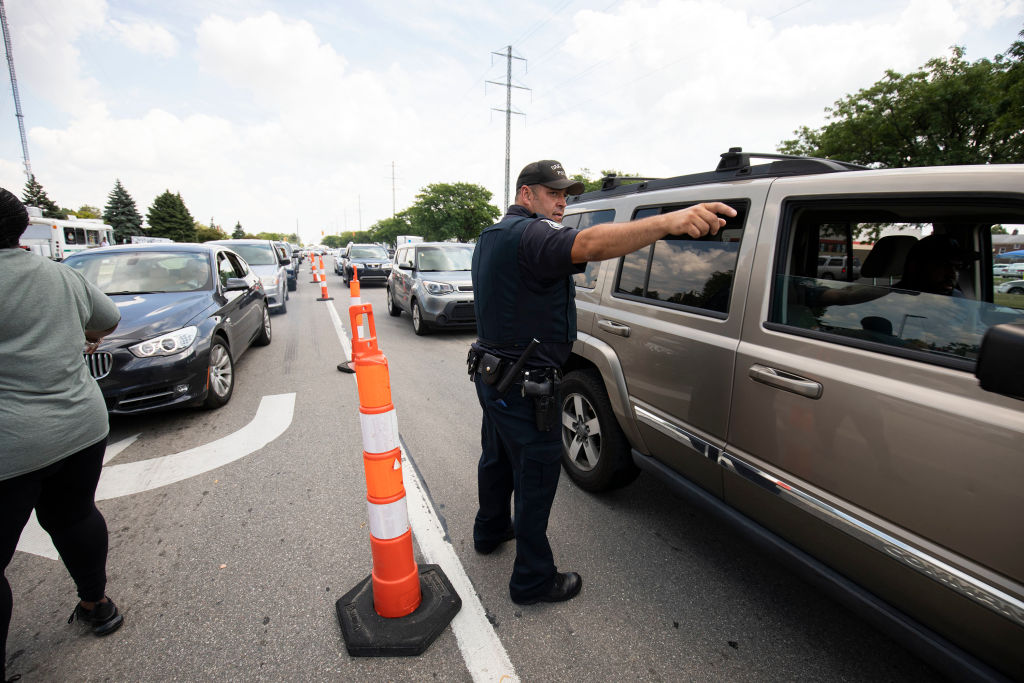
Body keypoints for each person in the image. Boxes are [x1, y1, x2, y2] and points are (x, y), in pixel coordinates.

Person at [469, 161, 735, 605]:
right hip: (523, 382)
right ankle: (533, 580)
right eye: (552, 193)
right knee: (535, 474)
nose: (562, 202)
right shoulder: (535, 233)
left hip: (493, 374)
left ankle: (490, 530)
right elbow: (588, 243)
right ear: (525, 194)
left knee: (496, 456)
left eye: (565, 194)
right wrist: (671, 221)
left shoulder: (490, 236)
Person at [0, 188, 124, 683]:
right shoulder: (58, 274)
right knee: (74, 515)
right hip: (79, 425)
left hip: (10, 445)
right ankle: (97, 604)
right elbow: (107, 319)